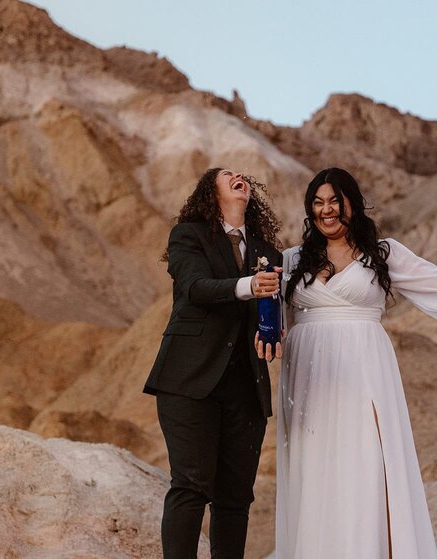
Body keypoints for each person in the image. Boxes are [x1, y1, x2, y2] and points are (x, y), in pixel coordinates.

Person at [265, 168, 437, 559]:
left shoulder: (382, 253)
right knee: (315, 470)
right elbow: (267, 313)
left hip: (365, 368)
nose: (327, 210)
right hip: (309, 380)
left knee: (367, 464)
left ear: (352, 202)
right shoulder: (291, 259)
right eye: (318, 203)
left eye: (335, 200)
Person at [144, 167, 283, 559]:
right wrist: (249, 286)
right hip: (189, 379)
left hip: (246, 386)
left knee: (236, 498)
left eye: (242, 175)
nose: (239, 176)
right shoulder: (188, 236)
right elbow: (195, 288)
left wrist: (274, 330)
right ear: (211, 191)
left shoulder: (267, 254)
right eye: (227, 175)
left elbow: (268, 312)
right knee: (190, 486)